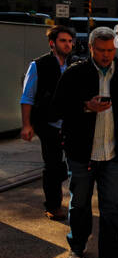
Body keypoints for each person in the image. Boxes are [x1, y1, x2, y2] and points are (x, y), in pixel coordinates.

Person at [49, 26, 118, 258]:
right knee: (79, 204)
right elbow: (55, 109)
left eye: (111, 50)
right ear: (91, 48)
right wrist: (85, 106)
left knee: (112, 209)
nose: (106, 55)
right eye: (101, 50)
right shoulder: (75, 74)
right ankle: (77, 246)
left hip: (115, 154)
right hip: (82, 154)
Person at [20, 24, 77, 221]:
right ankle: (53, 206)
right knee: (52, 166)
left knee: (73, 165)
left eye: (70, 41)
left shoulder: (75, 64)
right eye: (63, 41)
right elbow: (27, 97)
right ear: (52, 43)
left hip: (72, 125)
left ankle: (76, 202)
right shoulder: (38, 65)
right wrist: (27, 125)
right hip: (48, 123)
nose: (68, 44)